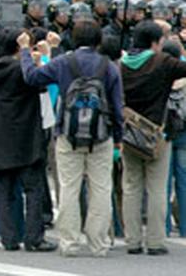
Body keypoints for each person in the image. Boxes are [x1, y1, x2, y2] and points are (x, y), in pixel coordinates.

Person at [19, 20, 124, 257]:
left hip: (67, 134)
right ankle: (99, 244)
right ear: (99, 40)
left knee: (68, 188)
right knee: (100, 189)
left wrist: (26, 51)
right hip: (101, 136)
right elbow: (117, 107)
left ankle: (69, 242)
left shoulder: (63, 62)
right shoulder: (108, 67)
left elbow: (32, 77)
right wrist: (118, 137)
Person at [0, 29, 56, 252]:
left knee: (4, 189)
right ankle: (34, 237)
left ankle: (9, 237)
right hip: (25, 135)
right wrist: (41, 54)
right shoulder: (19, 69)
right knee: (33, 188)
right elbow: (40, 80)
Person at [119, 21, 186, 255]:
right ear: (154, 42)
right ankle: (156, 241)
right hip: (157, 133)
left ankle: (133, 241)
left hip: (129, 133)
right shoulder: (162, 62)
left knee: (131, 186)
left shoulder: (121, 65)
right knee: (157, 188)